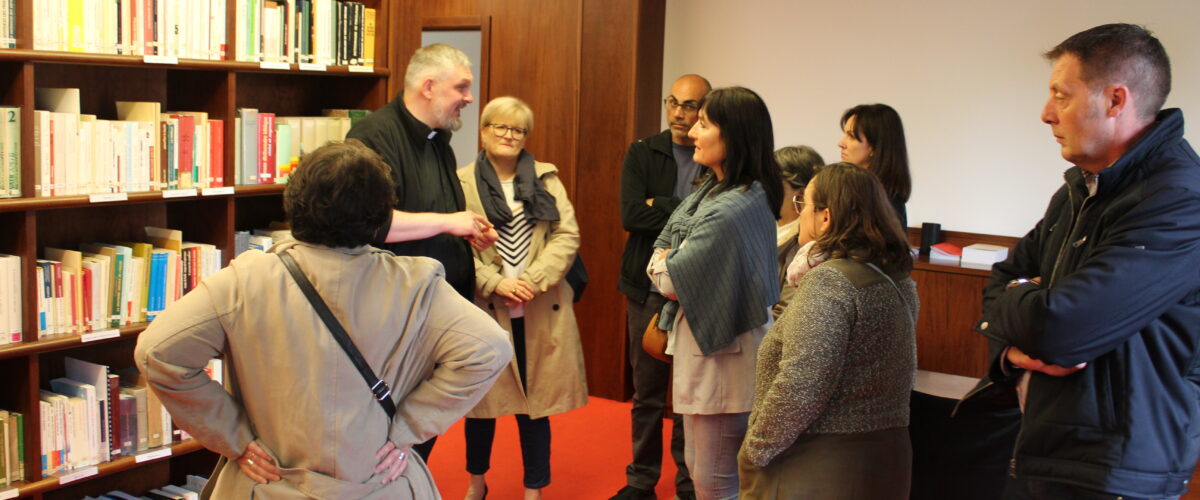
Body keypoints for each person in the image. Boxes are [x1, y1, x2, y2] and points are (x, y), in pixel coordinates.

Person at [133, 141, 514, 499]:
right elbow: (490, 348)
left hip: (268, 481)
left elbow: (157, 352)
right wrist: (410, 426)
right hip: (379, 479)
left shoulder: (245, 281)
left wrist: (233, 436)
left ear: (294, 202)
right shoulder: (415, 285)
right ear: (380, 216)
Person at [959, 23, 1200, 499]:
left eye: (1061, 96)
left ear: (1115, 100)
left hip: (1117, 469)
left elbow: (1060, 330)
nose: (1046, 114)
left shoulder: (1179, 200)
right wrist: (1010, 352)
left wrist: (1025, 306)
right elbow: (1001, 280)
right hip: (1044, 447)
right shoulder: (1078, 188)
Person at [346, 42, 495, 461]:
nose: (470, 98)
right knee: (390, 436)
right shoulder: (372, 137)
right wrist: (449, 222)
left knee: (417, 437)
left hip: (435, 308)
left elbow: (435, 213)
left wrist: (467, 230)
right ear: (428, 87)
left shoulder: (439, 141)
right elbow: (372, 224)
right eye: (461, 87)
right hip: (395, 317)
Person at [739, 163, 918, 499]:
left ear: (825, 217)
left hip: (821, 464)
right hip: (884, 457)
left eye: (803, 204)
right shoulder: (895, 277)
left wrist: (756, 449)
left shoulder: (830, 279)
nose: (799, 214)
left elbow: (802, 382)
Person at [647, 86, 782, 500]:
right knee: (701, 468)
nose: (692, 132)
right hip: (716, 346)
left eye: (704, 124)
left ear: (733, 135)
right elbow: (664, 253)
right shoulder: (716, 191)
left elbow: (669, 280)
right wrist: (666, 260)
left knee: (714, 480)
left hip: (725, 354)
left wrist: (664, 262)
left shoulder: (730, 209)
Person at [457, 97, 588, 500]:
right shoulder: (461, 181)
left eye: (518, 129)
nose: (509, 135)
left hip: (537, 304)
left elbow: (567, 235)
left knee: (535, 406)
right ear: (483, 131)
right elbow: (455, 244)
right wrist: (494, 282)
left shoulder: (546, 178)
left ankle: (534, 488)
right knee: (481, 406)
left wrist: (533, 280)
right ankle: (477, 481)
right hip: (485, 306)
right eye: (500, 126)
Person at [612, 74, 710, 500]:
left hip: (696, 291)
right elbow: (632, 215)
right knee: (647, 392)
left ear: (705, 110)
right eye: (673, 102)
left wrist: (663, 204)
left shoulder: (713, 154)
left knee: (690, 394)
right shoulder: (643, 151)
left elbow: (712, 220)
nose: (678, 113)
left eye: (689, 106)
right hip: (645, 287)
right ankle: (641, 480)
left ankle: (689, 483)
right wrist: (683, 212)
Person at [837, 103, 912, 229]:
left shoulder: (883, 202)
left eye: (851, 136)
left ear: (876, 147)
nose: (841, 143)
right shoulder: (852, 189)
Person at [772, 145, 823, 319]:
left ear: (801, 194)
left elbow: (783, 314)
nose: (764, 188)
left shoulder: (807, 245)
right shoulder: (764, 225)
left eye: (773, 181)